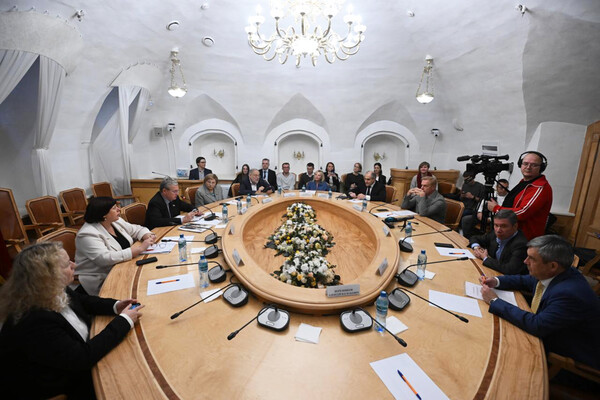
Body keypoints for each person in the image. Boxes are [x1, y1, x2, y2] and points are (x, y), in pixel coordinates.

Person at [0, 242, 144, 399]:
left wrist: (115, 306)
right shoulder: (34, 320)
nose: (74, 265)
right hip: (58, 384)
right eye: (67, 265)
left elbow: (83, 301)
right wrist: (124, 321)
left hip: (75, 360)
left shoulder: (47, 289)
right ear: (48, 276)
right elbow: (82, 358)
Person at [480, 235, 600, 372]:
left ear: (552, 265)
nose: (525, 261)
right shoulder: (559, 271)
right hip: (551, 331)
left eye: (531, 258)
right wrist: (496, 281)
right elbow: (526, 280)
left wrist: (494, 301)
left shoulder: (569, 294)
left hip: (570, 356)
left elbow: (537, 325)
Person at [75, 197, 156, 295]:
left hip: (126, 266)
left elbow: (136, 229)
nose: (119, 209)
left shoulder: (115, 221)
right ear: (104, 214)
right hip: (104, 277)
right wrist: (138, 249)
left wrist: (146, 235)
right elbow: (104, 259)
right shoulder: (87, 234)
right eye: (114, 208)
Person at [487, 151, 552, 240]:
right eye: (525, 163)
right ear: (520, 164)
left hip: (524, 239)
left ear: (541, 168)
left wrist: (496, 208)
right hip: (511, 234)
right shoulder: (524, 182)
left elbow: (523, 212)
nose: (528, 167)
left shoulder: (540, 187)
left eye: (534, 165)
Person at [469, 210, 528, 275]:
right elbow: (475, 238)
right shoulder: (495, 234)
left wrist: (485, 258)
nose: (498, 230)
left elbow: (510, 269)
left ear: (515, 226)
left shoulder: (520, 244)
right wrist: (476, 247)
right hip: (491, 272)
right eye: (496, 225)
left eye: (503, 226)